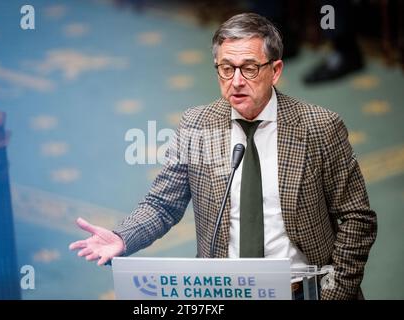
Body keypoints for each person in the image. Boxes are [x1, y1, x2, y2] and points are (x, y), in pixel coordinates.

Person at [69, 12, 377, 300]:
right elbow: (163, 204)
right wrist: (123, 237)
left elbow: (356, 219)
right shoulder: (196, 125)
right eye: (227, 68)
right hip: (224, 294)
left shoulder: (319, 127)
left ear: (275, 71)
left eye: (250, 68)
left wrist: (334, 292)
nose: (237, 81)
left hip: (301, 291)